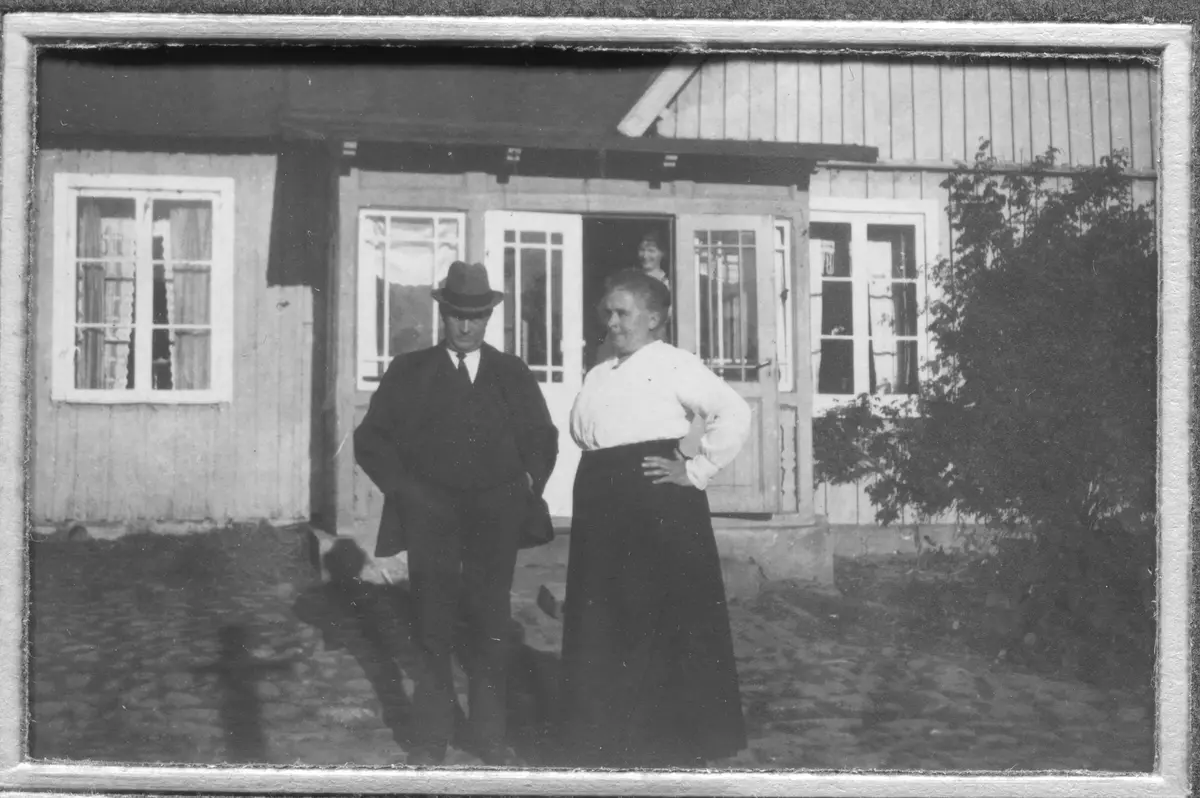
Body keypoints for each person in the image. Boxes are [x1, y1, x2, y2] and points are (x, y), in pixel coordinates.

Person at [353, 261, 558, 767]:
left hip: (495, 516)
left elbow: (541, 437)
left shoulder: (511, 372)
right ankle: (431, 735)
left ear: (488, 317)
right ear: (441, 314)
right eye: (456, 315)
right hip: (431, 516)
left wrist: (526, 483)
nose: (465, 326)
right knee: (432, 623)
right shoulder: (410, 371)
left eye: (476, 316)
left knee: (491, 622)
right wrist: (405, 491)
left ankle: (489, 734)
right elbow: (371, 439)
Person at [558, 268, 751, 768]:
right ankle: (605, 739)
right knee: (604, 615)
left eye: (623, 313)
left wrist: (697, 468)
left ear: (654, 318)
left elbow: (734, 412)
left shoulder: (673, 363)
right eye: (608, 312)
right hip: (601, 499)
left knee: (656, 615)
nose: (612, 322)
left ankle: (670, 741)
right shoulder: (600, 370)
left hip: (655, 501)